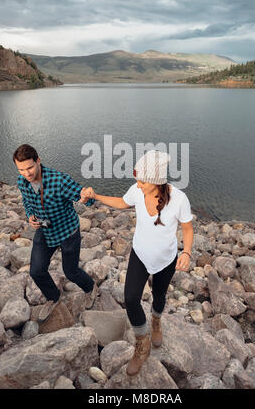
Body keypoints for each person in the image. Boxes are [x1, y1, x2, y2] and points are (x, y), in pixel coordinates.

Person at [80, 150, 194, 376]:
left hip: (166, 259)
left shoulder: (179, 199)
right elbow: (122, 203)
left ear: (156, 181)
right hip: (140, 254)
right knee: (131, 298)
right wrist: (96, 196)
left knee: (159, 297)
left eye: (142, 180)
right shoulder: (137, 190)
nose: (138, 184)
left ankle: (157, 322)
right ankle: (142, 343)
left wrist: (187, 253)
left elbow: (188, 228)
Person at [13, 144, 98, 323]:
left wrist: (86, 197)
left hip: (68, 232)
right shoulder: (22, 181)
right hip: (44, 231)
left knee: (71, 272)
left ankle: (91, 288)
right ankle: (53, 297)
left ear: (38, 161)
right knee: (36, 271)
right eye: (21, 169)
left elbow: (85, 199)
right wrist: (30, 216)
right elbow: (27, 202)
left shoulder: (59, 181)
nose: (26, 173)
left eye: (29, 167)